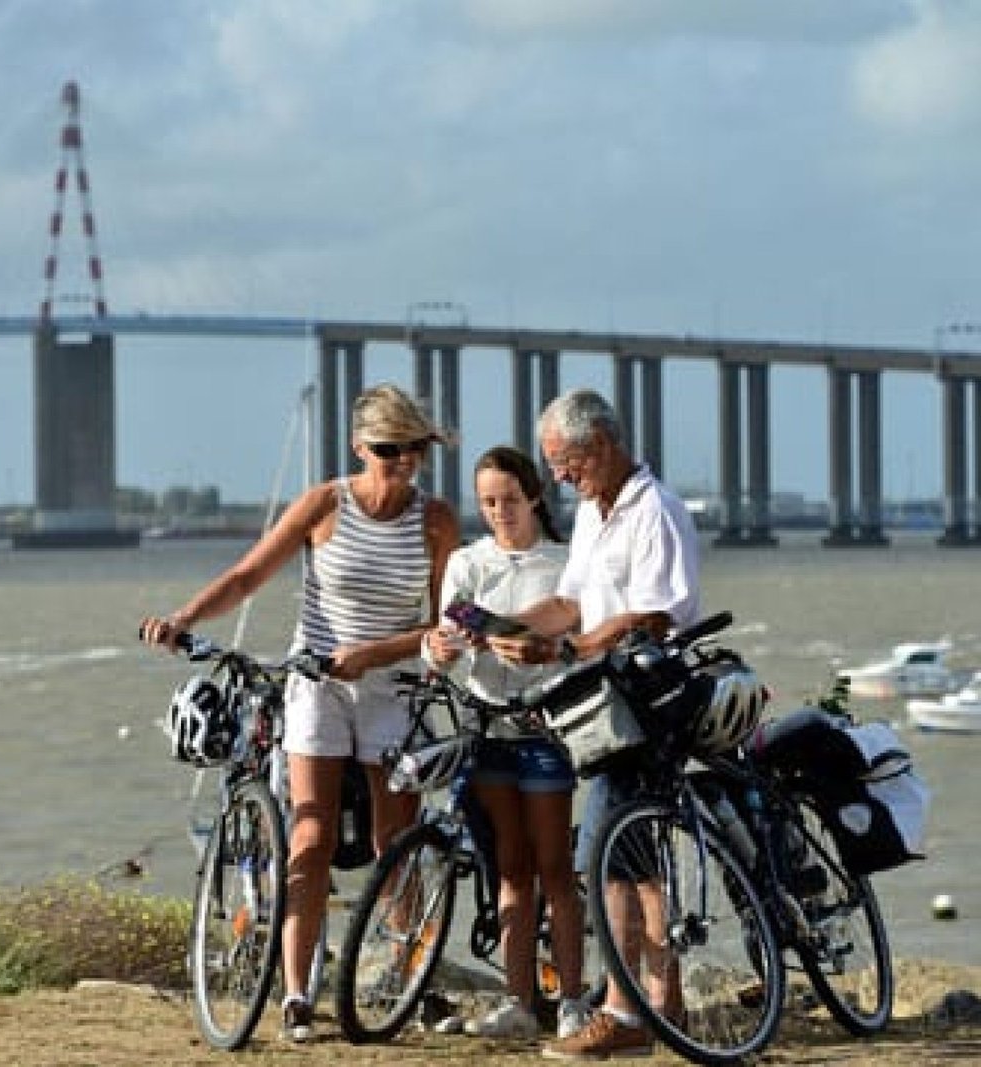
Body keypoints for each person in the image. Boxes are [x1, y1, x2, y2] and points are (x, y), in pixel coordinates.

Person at [139, 383, 461, 1043]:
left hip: (391, 685)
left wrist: (376, 652)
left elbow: (444, 623)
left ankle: (406, 974)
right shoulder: (324, 505)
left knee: (391, 845)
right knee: (308, 837)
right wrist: (183, 619)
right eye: (386, 450)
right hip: (316, 682)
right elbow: (248, 575)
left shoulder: (436, 520)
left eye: (412, 451)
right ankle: (294, 991)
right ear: (358, 446)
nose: (399, 463)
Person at [481, 387, 700, 1061]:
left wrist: (572, 648)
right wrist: (513, 631)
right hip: (606, 706)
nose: (558, 477)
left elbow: (653, 615)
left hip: (648, 698)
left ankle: (624, 1011)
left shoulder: (652, 510)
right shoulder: (592, 513)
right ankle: (666, 1006)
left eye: (565, 461)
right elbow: (572, 602)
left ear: (600, 444)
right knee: (634, 860)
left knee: (608, 849)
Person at [422, 445, 588, 1041]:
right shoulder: (467, 564)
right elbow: (443, 641)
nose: (499, 512)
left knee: (555, 866)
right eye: (488, 502)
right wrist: (438, 652)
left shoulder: (565, 564)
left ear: (535, 497)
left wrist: (545, 647)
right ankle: (518, 999)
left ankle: (571, 1000)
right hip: (485, 728)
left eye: (510, 500)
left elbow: (582, 639)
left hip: (544, 731)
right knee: (511, 869)